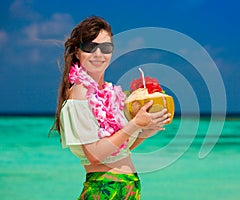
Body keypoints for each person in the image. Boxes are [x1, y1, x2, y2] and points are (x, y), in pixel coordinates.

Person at [52, 16, 171, 199]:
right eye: (90, 47)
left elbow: (122, 149)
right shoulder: (79, 92)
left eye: (105, 48)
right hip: (105, 190)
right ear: (77, 52)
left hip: (127, 189)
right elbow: (94, 154)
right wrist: (135, 125)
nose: (99, 54)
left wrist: (147, 129)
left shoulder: (111, 92)